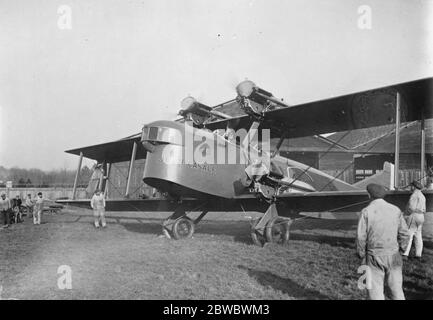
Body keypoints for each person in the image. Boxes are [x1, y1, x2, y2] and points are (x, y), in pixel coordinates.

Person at [356, 183, 410, 300]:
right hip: (393, 254)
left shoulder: (366, 211)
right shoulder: (395, 209)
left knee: (375, 292)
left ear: (369, 195)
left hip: (373, 255)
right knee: (396, 290)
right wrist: (401, 249)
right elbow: (405, 233)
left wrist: (361, 255)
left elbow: (361, 237)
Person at [403, 180, 426, 259]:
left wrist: (405, 215)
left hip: (414, 216)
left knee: (409, 235)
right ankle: (418, 254)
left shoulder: (414, 195)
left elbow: (411, 208)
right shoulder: (422, 195)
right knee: (418, 235)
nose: (410, 188)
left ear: (414, 187)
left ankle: (405, 254)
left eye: (411, 186)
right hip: (421, 216)